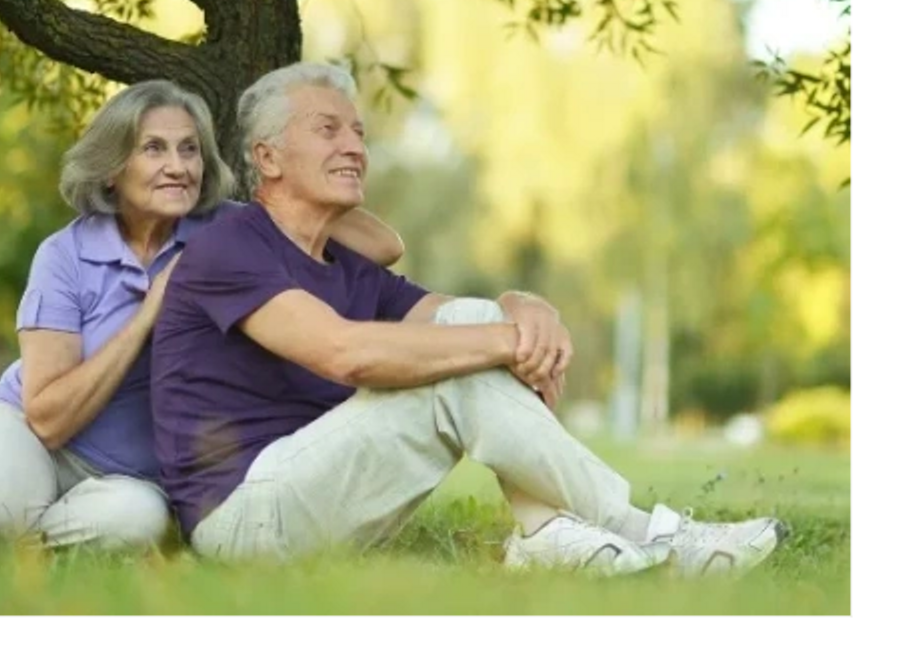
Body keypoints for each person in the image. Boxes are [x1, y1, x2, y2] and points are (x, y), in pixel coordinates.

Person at [151, 62, 787, 577]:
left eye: (359, 133)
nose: (354, 146)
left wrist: (525, 308)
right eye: (328, 130)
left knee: (473, 326)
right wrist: (508, 343)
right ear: (268, 158)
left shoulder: (348, 266)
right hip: (242, 519)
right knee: (467, 354)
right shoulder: (228, 245)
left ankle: (544, 531)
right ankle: (653, 535)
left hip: (319, 496)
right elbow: (345, 355)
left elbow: (462, 317)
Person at [0, 78, 405, 552]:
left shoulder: (232, 229)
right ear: (112, 169)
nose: (178, 167)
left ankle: (9, 549)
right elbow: (46, 420)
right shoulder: (65, 254)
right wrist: (147, 315)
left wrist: (286, 189)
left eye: (190, 150)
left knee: (135, 525)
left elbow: (384, 247)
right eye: (154, 149)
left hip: (127, 477)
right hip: (31, 438)